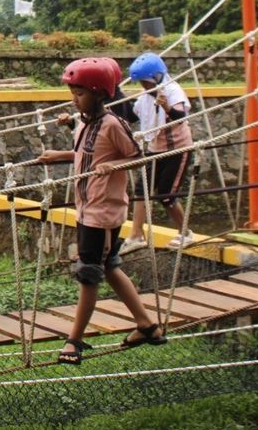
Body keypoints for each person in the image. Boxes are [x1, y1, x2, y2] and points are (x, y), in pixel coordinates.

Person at [39, 58, 167, 365]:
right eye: (73, 93)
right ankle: (148, 326)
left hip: (102, 212)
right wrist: (59, 155)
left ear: (99, 93)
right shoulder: (84, 123)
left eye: (80, 93)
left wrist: (115, 166)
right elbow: (87, 156)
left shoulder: (112, 124)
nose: (74, 99)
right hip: (87, 208)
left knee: (89, 273)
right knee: (109, 267)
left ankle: (74, 340)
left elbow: (137, 157)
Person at [118, 52, 195, 253]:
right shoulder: (146, 97)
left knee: (166, 195)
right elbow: (131, 116)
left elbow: (180, 117)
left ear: (157, 78)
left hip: (177, 150)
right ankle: (136, 235)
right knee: (141, 191)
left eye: (146, 82)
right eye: (142, 83)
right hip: (155, 149)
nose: (144, 86)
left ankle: (186, 232)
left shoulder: (172, 90)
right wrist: (115, 94)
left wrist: (166, 105)